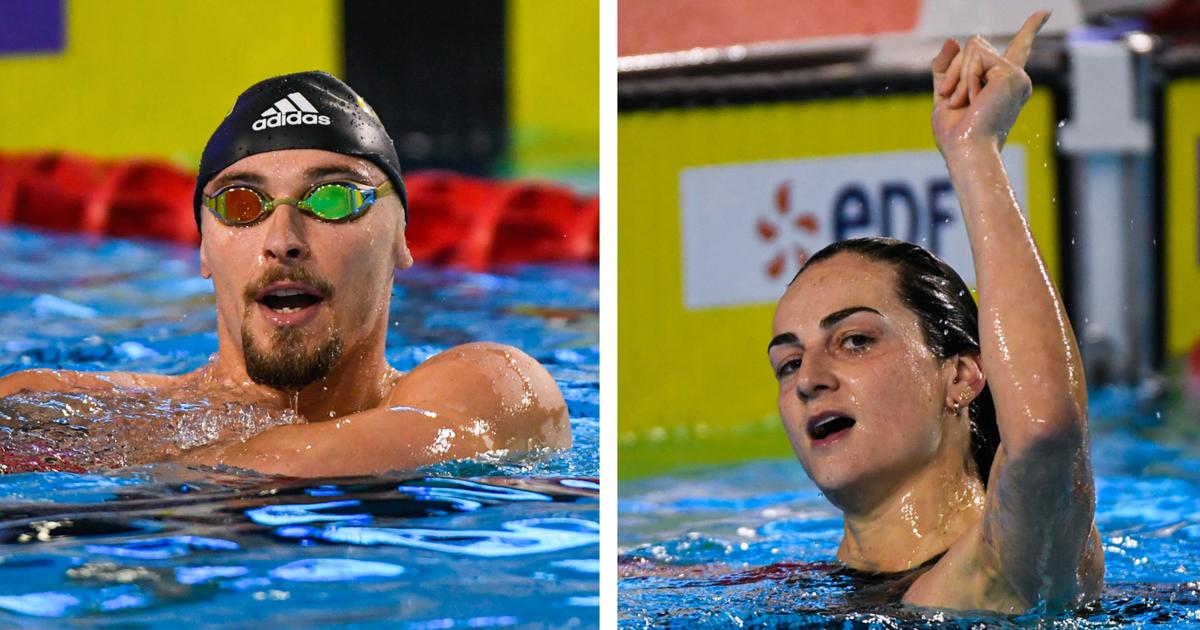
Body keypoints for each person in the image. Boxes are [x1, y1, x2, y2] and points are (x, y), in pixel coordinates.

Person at [0, 71, 570, 476]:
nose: (282, 242)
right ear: (203, 248)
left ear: (401, 238)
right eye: (241, 205)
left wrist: (125, 470)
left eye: (333, 199)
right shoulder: (61, 405)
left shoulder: (491, 384)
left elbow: (320, 460)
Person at [766, 12, 1104, 613]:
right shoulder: (772, 587)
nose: (810, 380)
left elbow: (1047, 431)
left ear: (962, 375)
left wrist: (974, 150)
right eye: (788, 363)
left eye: (855, 341)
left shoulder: (1012, 564)